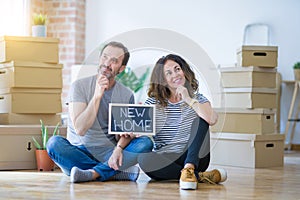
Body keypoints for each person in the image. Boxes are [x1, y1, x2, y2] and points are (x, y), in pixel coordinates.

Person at [47, 41, 153, 183]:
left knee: (145, 143)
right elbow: (80, 128)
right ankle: (112, 172)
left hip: (108, 153)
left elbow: (124, 134)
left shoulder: (126, 94)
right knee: (54, 144)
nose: (107, 63)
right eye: (104, 57)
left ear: (121, 68)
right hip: (78, 152)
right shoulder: (79, 86)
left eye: (114, 61)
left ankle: (91, 173)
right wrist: (97, 96)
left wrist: (119, 145)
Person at [138, 54, 227, 190]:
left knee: (201, 120)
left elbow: (212, 119)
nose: (175, 75)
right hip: (167, 158)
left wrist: (189, 100)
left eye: (177, 69)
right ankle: (198, 176)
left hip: (194, 157)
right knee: (144, 159)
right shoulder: (152, 103)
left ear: (184, 71)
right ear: (163, 80)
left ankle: (190, 168)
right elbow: (140, 128)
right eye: (169, 73)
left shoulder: (197, 99)